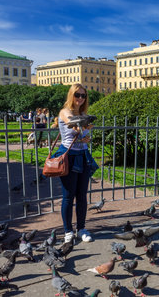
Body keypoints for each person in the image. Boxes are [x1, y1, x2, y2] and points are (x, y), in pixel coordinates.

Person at [52, 84, 98, 243]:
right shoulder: (65, 112)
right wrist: (84, 127)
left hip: (83, 156)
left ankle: (81, 229)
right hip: (69, 157)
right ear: (71, 95)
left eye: (83, 96)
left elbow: (83, 133)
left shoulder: (83, 114)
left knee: (82, 196)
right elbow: (71, 123)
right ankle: (68, 231)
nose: (80, 98)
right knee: (68, 196)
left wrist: (86, 137)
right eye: (77, 95)